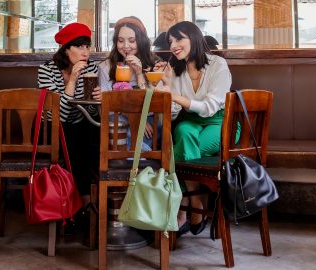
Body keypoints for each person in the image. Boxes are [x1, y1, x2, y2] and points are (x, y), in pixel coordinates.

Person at [157, 21, 236, 236]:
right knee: (182, 131)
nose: (173, 45)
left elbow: (211, 107)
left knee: (182, 153)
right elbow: (172, 113)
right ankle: (195, 201)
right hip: (191, 121)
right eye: (171, 41)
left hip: (221, 121)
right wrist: (168, 84)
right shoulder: (175, 69)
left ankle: (187, 207)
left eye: (179, 39)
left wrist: (174, 95)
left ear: (194, 38)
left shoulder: (217, 65)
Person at [38, 22, 101, 207]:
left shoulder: (91, 69)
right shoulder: (46, 70)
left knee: (92, 130)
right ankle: (81, 201)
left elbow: (90, 113)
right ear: (66, 49)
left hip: (79, 124)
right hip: (49, 125)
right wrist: (72, 79)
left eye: (87, 46)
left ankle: (83, 201)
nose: (85, 52)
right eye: (80, 46)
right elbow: (59, 116)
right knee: (72, 133)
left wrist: (95, 100)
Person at [98, 16, 160, 151]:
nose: (126, 46)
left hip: (149, 119)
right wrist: (136, 118)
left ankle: (142, 165)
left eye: (132, 41)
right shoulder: (106, 67)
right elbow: (107, 104)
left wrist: (139, 74)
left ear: (141, 41)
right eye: (120, 41)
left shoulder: (154, 64)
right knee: (128, 137)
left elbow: (156, 101)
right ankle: (148, 165)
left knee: (132, 142)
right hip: (118, 118)